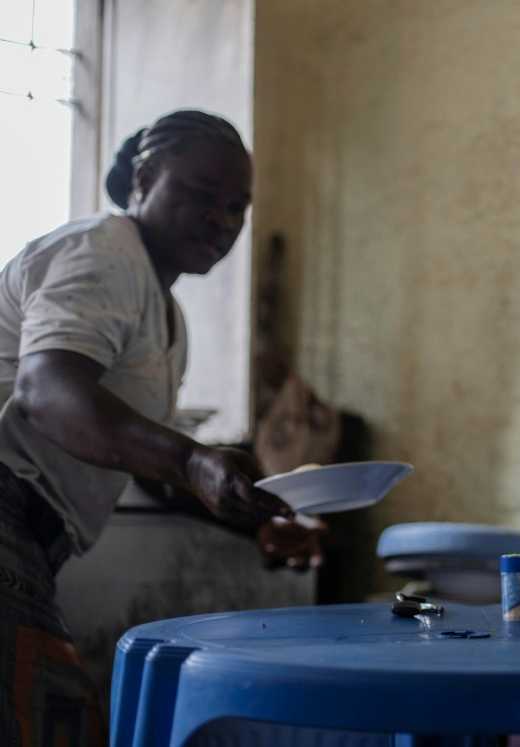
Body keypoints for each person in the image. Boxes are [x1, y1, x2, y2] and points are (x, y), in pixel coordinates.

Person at [0, 110, 322, 743]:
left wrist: (257, 518)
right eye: (202, 195)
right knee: (48, 719)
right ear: (144, 177)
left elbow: (143, 462)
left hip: (31, 536)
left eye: (237, 207)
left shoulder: (166, 316)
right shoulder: (102, 250)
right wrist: (195, 460)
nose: (222, 221)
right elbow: (48, 393)